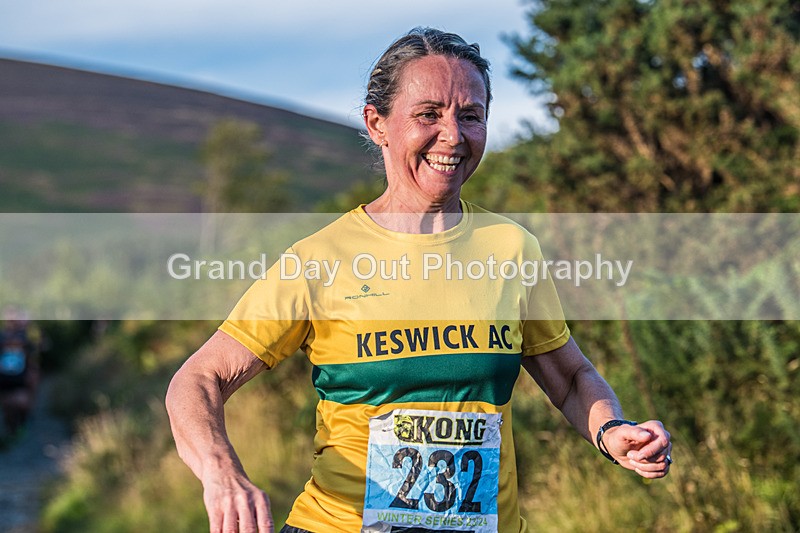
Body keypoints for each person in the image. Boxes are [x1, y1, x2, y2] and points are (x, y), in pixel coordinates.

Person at [166, 27, 672, 533]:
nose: (452, 135)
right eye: (428, 114)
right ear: (377, 123)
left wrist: (612, 430)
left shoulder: (510, 247)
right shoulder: (319, 259)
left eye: (470, 116)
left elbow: (569, 377)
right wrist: (222, 473)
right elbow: (196, 380)